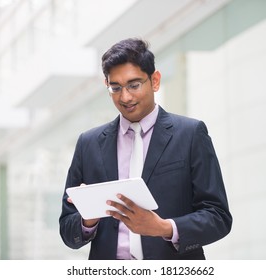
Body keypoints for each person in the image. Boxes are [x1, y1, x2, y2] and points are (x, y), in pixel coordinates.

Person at [59, 38, 232, 260]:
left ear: (155, 80)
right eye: (115, 88)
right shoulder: (88, 143)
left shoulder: (190, 134)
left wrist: (164, 227)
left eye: (134, 85)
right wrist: (87, 220)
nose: (125, 97)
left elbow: (218, 217)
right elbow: (67, 229)